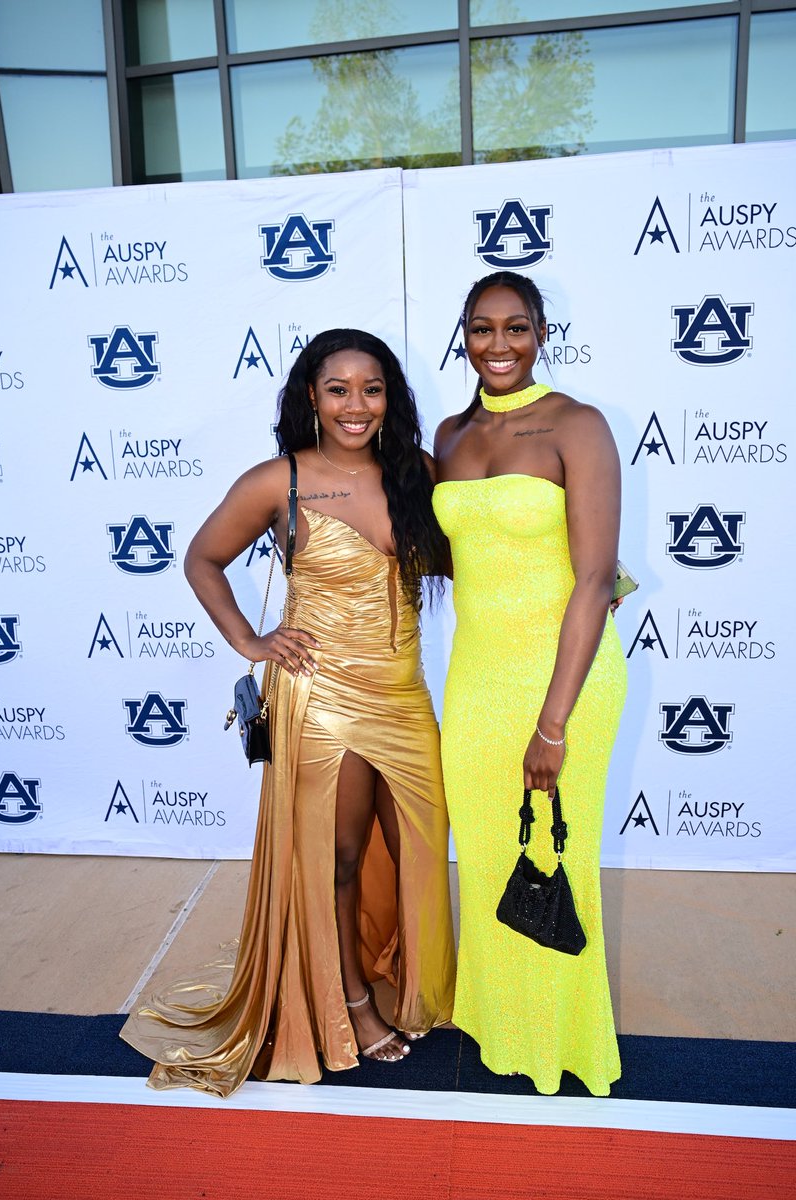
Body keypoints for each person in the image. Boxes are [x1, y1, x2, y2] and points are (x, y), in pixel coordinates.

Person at [120, 329, 456, 1095]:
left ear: (390, 397)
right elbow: (201, 557)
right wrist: (251, 640)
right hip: (321, 698)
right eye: (337, 388)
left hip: (404, 696)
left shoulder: (417, 475)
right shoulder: (281, 480)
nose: (355, 405)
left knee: (416, 850)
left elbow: (476, 555)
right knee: (335, 860)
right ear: (311, 395)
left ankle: (408, 982)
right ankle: (349, 1001)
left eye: (371, 389)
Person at [432, 271, 627, 1096]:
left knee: (557, 859)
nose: (499, 345)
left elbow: (593, 580)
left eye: (517, 327)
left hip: (563, 682)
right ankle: (499, 1023)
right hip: (474, 681)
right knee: (485, 859)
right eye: (482, 328)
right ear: (464, 335)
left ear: (543, 332)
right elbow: (453, 556)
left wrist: (552, 725)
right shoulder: (445, 434)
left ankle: (559, 1042)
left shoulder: (576, 425)